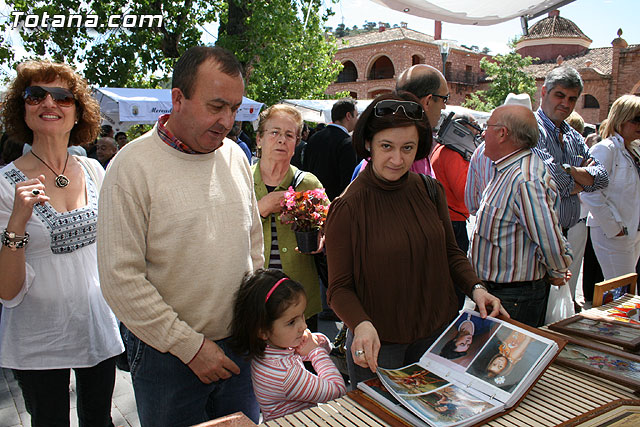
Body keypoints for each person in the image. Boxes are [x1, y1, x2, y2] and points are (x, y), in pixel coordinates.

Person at [97, 46, 264, 426]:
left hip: (239, 348)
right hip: (165, 358)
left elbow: (252, 243)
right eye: (216, 106)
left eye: (234, 109)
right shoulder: (131, 167)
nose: (227, 121)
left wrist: (257, 316)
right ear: (177, 98)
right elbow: (119, 279)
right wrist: (189, 347)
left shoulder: (236, 157)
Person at [325, 92, 506, 388]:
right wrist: (361, 323)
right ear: (368, 143)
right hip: (381, 347)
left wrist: (476, 288)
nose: (397, 159)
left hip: (440, 336)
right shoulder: (348, 207)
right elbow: (339, 289)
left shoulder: (430, 190)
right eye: (387, 147)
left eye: (407, 148)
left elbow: (451, 253)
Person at [0, 60, 123, 426]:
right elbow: (7, 292)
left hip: (96, 326)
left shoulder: (94, 171)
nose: (49, 104)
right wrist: (18, 221)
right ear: (23, 109)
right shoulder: (5, 185)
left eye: (62, 97)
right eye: (36, 95)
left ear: (77, 113)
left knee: (99, 421)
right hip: (39, 336)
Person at [468, 105, 573, 327]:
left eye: (487, 127)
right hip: (502, 294)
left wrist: (558, 270)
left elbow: (549, 240)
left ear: (502, 133)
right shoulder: (508, 170)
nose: (483, 133)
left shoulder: (525, 179)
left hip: (516, 298)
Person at [534, 66, 608, 308]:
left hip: (565, 235)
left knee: (557, 310)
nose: (566, 103)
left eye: (572, 99)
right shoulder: (532, 129)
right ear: (544, 91)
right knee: (538, 313)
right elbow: (550, 178)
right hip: (536, 240)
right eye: (560, 95)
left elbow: (602, 178)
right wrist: (580, 181)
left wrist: (570, 172)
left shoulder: (573, 136)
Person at [229, 269, 346, 421]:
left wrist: (316, 343)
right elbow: (337, 391)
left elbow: (323, 346)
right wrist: (316, 351)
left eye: (302, 315)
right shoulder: (287, 375)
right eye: (291, 322)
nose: (303, 326)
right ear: (263, 331)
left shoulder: (269, 350)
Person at [252, 105, 325, 329]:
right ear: (259, 139)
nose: (282, 140)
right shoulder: (240, 179)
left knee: (304, 361)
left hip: (300, 301)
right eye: (274, 132)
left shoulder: (308, 183)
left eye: (289, 135)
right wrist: (261, 208)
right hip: (254, 297)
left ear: (296, 144)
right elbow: (222, 234)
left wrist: (322, 239)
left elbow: (329, 225)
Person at [581, 95, 640, 281]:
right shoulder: (605, 149)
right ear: (621, 119)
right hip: (613, 233)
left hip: (632, 230)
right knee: (622, 291)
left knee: (626, 290)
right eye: (636, 120)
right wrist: (614, 227)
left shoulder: (634, 150)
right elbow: (588, 190)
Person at [302, 98, 358, 200]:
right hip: (334, 204)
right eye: (356, 115)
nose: (357, 120)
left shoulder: (314, 137)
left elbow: (305, 170)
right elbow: (348, 182)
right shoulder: (347, 142)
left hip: (312, 201)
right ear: (348, 116)